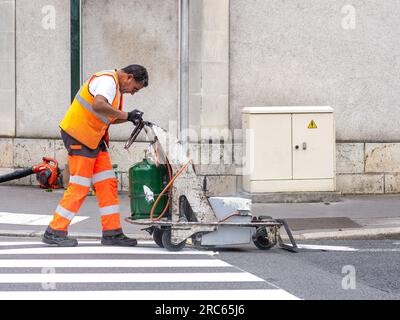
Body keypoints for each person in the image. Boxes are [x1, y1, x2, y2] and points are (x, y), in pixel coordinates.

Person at [42, 65, 149, 247]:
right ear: (129, 77)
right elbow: (98, 105)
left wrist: (131, 118)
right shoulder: (108, 81)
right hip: (80, 135)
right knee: (80, 186)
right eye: (135, 89)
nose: (132, 93)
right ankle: (54, 231)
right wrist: (127, 114)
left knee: (107, 183)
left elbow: (110, 116)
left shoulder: (114, 88)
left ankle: (112, 233)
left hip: (92, 139)